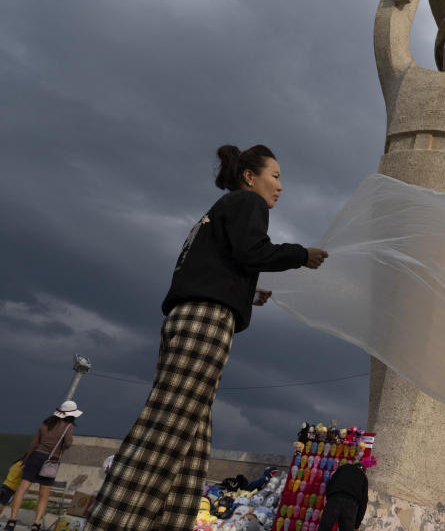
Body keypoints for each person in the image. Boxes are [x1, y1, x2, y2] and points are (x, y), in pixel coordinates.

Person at [86, 145, 328, 531]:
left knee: (191, 439)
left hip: (188, 318)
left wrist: (246, 293)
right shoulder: (248, 203)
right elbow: (253, 251)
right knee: (164, 432)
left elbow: (215, 264)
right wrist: (302, 255)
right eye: (276, 176)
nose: (280, 186)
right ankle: (113, 523)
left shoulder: (218, 212)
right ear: (251, 176)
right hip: (205, 322)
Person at [3, 401, 81, 531]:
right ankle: (36, 524)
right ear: (71, 414)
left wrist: (27, 459)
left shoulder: (46, 423)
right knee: (43, 495)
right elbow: (67, 444)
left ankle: (11, 521)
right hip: (50, 462)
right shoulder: (68, 426)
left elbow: (33, 444)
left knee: (21, 490)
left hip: (35, 457)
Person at [317, 462, 368, 531]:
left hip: (335, 499)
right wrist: (356, 525)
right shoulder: (364, 478)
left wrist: (330, 498)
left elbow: (330, 482)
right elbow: (363, 502)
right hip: (351, 505)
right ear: (364, 472)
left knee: (324, 528)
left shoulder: (344, 467)